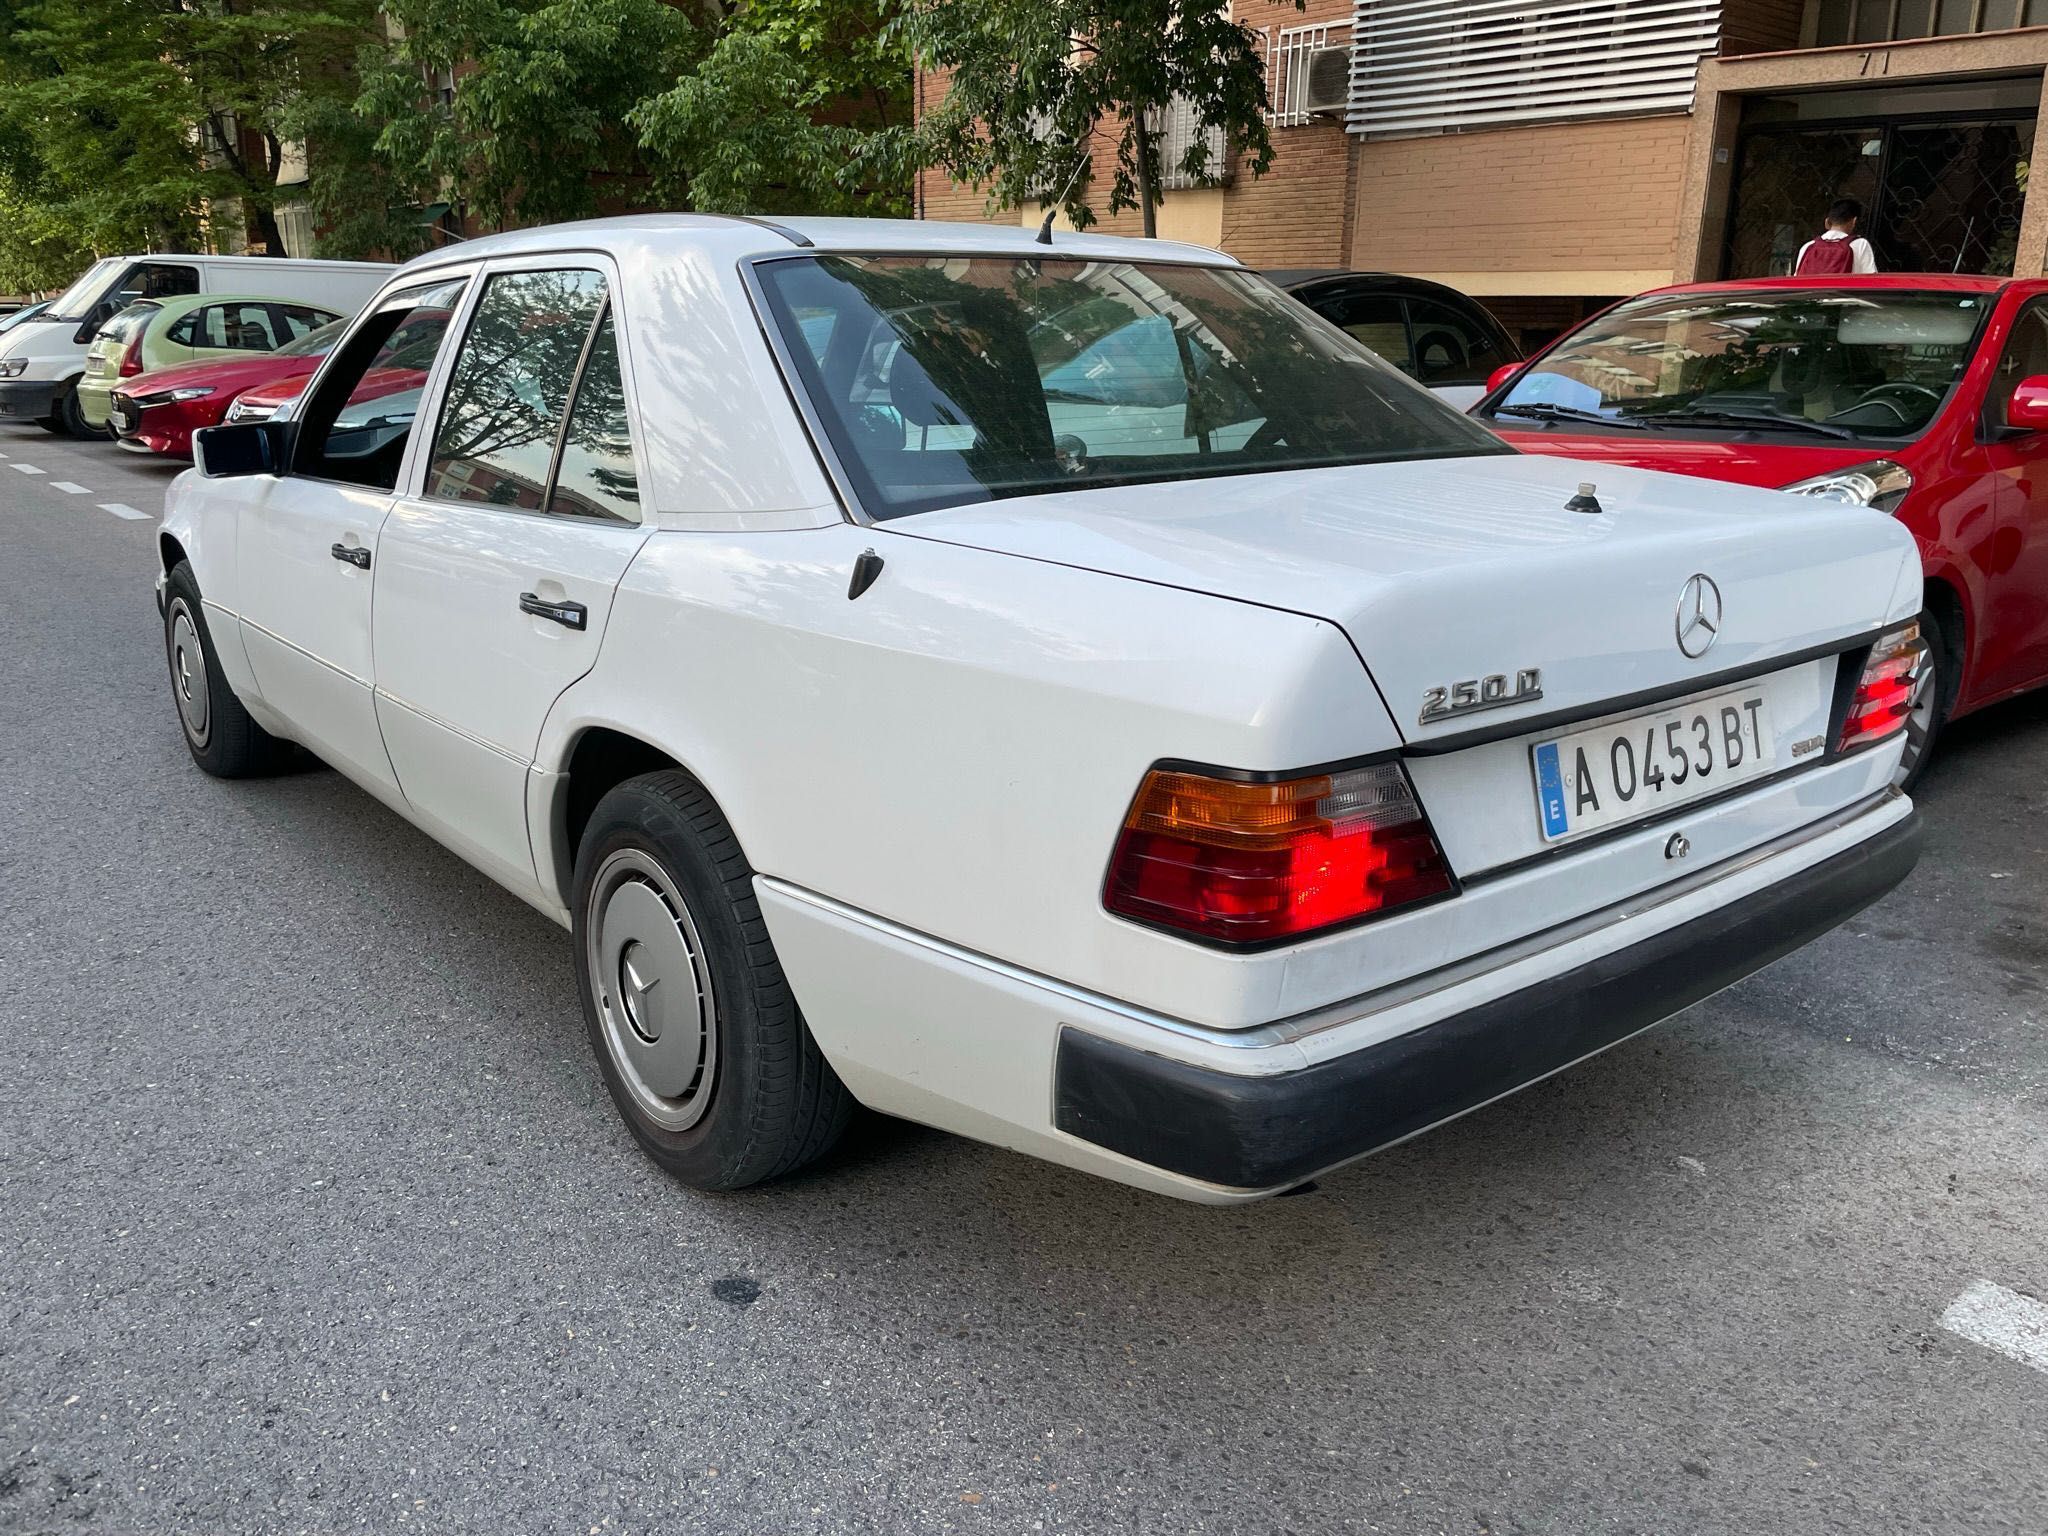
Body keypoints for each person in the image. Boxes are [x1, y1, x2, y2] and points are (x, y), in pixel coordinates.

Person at [1795, 199, 1879, 276]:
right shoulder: (1860, 244)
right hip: (1843, 293)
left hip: (1811, 293)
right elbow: (1871, 280)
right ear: (1854, 221)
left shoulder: (1808, 246)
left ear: (1827, 222)